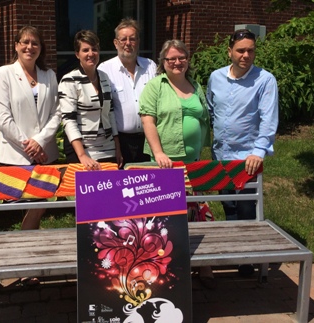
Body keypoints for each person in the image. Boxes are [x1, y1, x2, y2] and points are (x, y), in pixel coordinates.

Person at [139, 39, 214, 288]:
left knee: (198, 213)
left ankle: (202, 264)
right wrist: (158, 152)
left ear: (188, 59)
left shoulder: (195, 86)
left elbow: (203, 118)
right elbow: (148, 120)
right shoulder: (155, 86)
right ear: (163, 62)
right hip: (165, 164)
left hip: (193, 163)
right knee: (165, 218)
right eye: (171, 58)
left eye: (181, 57)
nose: (177, 62)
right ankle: (164, 267)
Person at [206, 29, 279, 276]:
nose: (246, 55)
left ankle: (247, 258)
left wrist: (259, 151)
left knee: (248, 208)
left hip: (249, 157)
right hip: (222, 155)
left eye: (250, 50)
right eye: (240, 50)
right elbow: (211, 108)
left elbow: (269, 119)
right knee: (229, 204)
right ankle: (233, 249)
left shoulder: (265, 80)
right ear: (230, 52)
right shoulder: (215, 77)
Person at [0, 25, 60, 231]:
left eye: (35, 43)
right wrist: (29, 146)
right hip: (15, 155)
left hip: (45, 153)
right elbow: (3, 118)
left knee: (39, 206)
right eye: (25, 42)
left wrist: (39, 142)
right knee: (24, 206)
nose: (30, 47)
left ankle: (31, 247)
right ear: (16, 45)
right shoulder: (3, 74)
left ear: (41, 48)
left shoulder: (49, 75)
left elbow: (57, 113)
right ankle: (26, 248)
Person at [59, 30, 122, 169]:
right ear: (77, 54)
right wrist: (82, 155)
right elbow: (68, 120)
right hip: (81, 149)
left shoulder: (104, 77)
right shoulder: (69, 80)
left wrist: (117, 147)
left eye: (94, 49)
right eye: (85, 50)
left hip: (108, 148)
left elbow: (110, 113)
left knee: (109, 189)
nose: (90, 54)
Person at [98, 18, 156, 166]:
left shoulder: (151, 67)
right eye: (123, 39)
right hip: (120, 141)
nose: (128, 43)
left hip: (149, 139)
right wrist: (115, 145)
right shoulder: (104, 70)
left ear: (138, 41)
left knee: (149, 184)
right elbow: (105, 111)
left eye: (132, 39)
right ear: (116, 43)